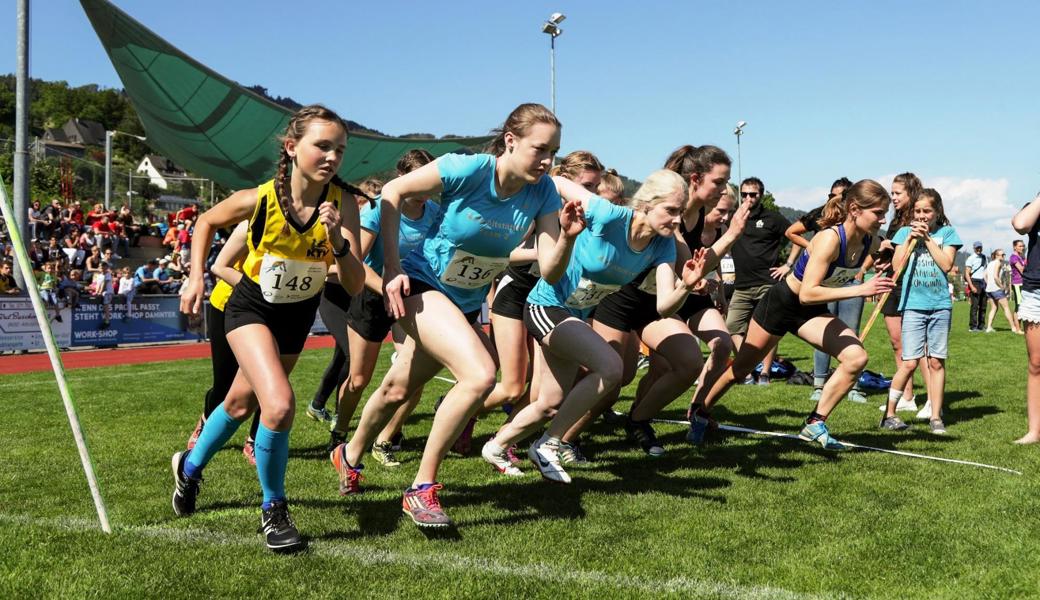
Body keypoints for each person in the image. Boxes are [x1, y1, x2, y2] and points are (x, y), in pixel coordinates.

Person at [330, 103, 574, 528]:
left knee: (397, 388)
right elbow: (392, 192)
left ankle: (348, 454)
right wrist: (391, 267)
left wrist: (567, 238)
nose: (547, 160)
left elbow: (551, 269)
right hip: (422, 286)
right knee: (481, 374)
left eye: (554, 151)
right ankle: (421, 488)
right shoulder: (469, 169)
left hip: (463, 301)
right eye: (540, 149)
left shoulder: (544, 192)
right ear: (511, 141)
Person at [171, 104, 365, 552]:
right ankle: (273, 510)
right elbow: (206, 221)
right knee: (277, 406)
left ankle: (190, 468)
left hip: (297, 315)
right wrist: (196, 275)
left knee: (239, 403)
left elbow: (354, 284)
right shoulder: (259, 198)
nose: (332, 157)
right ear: (292, 147)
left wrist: (338, 242)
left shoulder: (344, 204)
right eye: (322, 146)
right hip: (251, 307)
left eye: (339, 149)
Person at [484, 170, 709, 481]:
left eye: (680, 213)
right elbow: (559, 183)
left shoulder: (662, 246)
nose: (676, 220)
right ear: (645, 204)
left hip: (573, 315)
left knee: (549, 403)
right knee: (611, 368)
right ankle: (550, 444)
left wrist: (686, 285)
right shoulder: (609, 215)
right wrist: (535, 186)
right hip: (545, 305)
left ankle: (496, 445)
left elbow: (663, 306)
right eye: (670, 210)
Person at [688, 180, 894, 449]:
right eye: (878, 212)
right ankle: (700, 411)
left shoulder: (870, 240)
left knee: (856, 358)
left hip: (810, 312)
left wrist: (890, 252)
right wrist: (861, 289)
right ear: (855, 209)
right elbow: (807, 292)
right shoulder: (829, 239)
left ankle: (814, 423)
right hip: (782, 304)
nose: (883, 218)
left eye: (884, 212)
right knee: (741, 369)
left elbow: (883, 254)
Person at [477, 150, 604, 462]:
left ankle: (503, 440)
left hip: (548, 301)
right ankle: (460, 409)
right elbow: (503, 253)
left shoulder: (584, 221)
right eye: (588, 187)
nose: (594, 196)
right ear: (566, 184)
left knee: (540, 393)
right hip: (515, 294)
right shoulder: (539, 210)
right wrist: (546, 255)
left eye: (597, 188)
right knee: (511, 387)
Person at [325, 149, 439, 464]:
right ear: (402, 179)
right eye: (418, 182)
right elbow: (357, 263)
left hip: (411, 298)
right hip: (373, 295)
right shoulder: (378, 209)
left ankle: (386, 439)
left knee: (412, 375)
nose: (425, 191)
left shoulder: (434, 212)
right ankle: (340, 430)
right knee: (358, 379)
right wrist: (387, 287)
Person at [880, 189, 961, 434]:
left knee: (936, 361)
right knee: (909, 362)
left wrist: (927, 239)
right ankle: (890, 413)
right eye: (918, 211)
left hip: (939, 306)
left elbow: (946, 264)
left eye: (927, 211)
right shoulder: (904, 233)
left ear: (937, 212)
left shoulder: (947, 233)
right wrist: (908, 240)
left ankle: (936, 416)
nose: (922, 216)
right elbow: (896, 268)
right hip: (913, 305)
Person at [785, 177, 870, 403]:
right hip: (822, 282)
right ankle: (819, 383)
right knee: (823, 333)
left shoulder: (863, 225)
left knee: (850, 333)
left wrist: (862, 269)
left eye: (841, 195)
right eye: (832, 195)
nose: (836, 199)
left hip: (849, 279)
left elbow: (875, 246)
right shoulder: (821, 215)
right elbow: (792, 232)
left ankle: (851, 386)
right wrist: (811, 247)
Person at [725, 176, 790, 384]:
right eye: (744, 194)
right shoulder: (733, 218)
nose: (748, 198)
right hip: (741, 285)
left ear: (760, 195)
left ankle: (765, 373)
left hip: (767, 283)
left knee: (768, 329)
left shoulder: (772, 218)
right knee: (732, 327)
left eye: (752, 194)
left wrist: (788, 265)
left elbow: (796, 234)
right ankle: (747, 367)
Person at [880, 173, 927, 412]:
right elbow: (895, 257)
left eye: (898, 193)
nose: (893, 198)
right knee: (897, 343)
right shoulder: (895, 220)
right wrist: (886, 257)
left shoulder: (922, 217)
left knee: (921, 348)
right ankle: (906, 398)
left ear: (911, 193)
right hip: (892, 284)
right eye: (892, 193)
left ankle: (931, 401)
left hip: (914, 286)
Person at [1012, 195, 1040, 443]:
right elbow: (1020, 224)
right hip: (1036, 291)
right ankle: (1034, 431)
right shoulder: (1036, 207)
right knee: (1036, 363)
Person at [984, 249, 1022, 334]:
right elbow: (995, 276)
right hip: (996, 289)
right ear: (997, 256)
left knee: (993, 308)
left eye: (1004, 254)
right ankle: (1013, 327)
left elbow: (985, 275)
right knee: (1006, 308)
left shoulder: (990, 263)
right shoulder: (998, 263)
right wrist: (1001, 286)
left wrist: (989, 284)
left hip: (989, 290)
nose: (1003, 256)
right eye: (1001, 255)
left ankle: (989, 327)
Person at [964, 241, 988, 332]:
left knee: (983, 306)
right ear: (974, 248)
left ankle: (981, 326)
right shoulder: (971, 258)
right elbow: (967, 273)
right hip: (975, 282)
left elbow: (985, 271)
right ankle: (973, 327)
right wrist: (971, 286)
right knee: (975, 306)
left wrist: (987, 284)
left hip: (983, 282)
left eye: (980, 247)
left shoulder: (985, 257)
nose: (979, 249)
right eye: (977, 248)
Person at [1011, 239, 1026, 324]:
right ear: (1015, 247)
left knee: (1023, 305)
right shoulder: (1014, 257)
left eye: (1023, 246)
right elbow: (1021, 270)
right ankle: (1017, 328)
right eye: (1020, 246)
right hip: (1017, 283)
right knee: (1019, 305)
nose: (1022, 247)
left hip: (1023, 283)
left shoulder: (1022, 257)